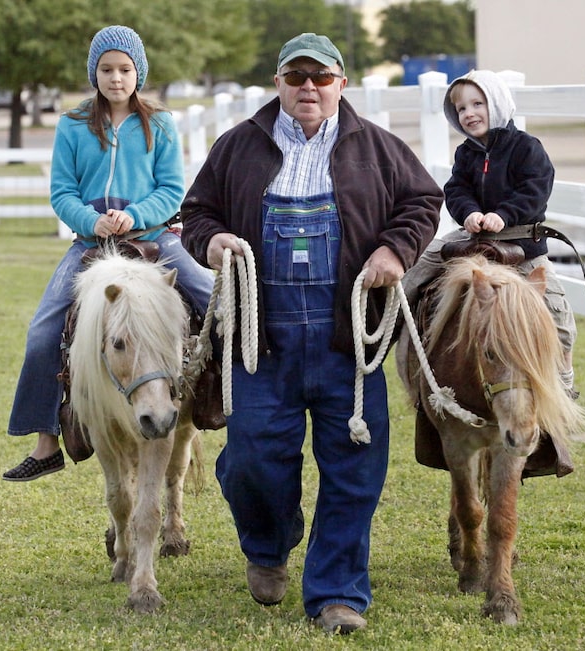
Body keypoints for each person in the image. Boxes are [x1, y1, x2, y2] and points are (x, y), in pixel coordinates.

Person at [180, 33, 443, 634]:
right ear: (277, 82)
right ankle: (268, 546)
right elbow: (197, 213)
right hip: (260, 340)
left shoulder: (376, 148)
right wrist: (212, 240)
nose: (308, 88)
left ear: (340, 84)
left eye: (321, 78)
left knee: (355, 466)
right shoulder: (238, 147)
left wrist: (394, 251)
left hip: (345, 340)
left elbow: (423, 202)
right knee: (251, 459)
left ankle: (336, 593)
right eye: (296, 76)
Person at [3, 25, 215, 482]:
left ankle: (231, 404)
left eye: (124, 69)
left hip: (155, 237)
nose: (116, 78)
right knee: (44, 330)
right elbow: (62, 192)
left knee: (214, 295)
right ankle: (45, 442)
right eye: (106, 69)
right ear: (93, 73)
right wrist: (91, 221)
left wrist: (135, 214)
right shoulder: (73, 124)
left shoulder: (159, 124)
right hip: (90, 243)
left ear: (138, 72)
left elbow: (172, 188)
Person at [402, 69, 578, 395]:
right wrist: (468, 213)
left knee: (557, 314)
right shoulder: (465, 153)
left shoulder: (526, 148)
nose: (469, 114)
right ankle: (397, 328)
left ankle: (563, 383)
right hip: (476, 237)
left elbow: (535, 189)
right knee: (419, 263)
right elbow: (456, 190)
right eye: (461, 109)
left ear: (496, 103)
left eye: (477, 104)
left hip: (521, 242)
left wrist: (504, 215)